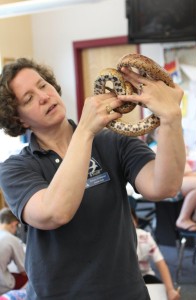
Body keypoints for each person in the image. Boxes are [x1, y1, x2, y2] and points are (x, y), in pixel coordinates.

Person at [0, 57, 185, 300]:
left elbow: (165, 186)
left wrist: (171, 118)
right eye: (28, 98)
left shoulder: (113, 142)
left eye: (43, 85)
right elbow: (54, 212)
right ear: (19, 119)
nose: (44, 96)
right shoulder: (15, 168)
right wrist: (86, 130)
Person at [146, 129, 196, 232]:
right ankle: (183, 218)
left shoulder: (164, 147)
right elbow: (181, 171)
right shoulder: (156, 148)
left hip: (171, 181)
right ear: (156, 134)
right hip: (164, 187)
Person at [130, 208, 180, 300]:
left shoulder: (145, 237)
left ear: (136, 220)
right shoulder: (112, 242)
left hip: (145, 276)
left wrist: (170, 289)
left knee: (166, 294)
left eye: (129, 220)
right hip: (124, 280)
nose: (126, 225)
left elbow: (161, 263)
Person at [0, 208, 28, 295]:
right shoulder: (12, 239)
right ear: (14, 224)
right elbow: (24, 270)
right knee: (30, 277)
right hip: (2, 287)